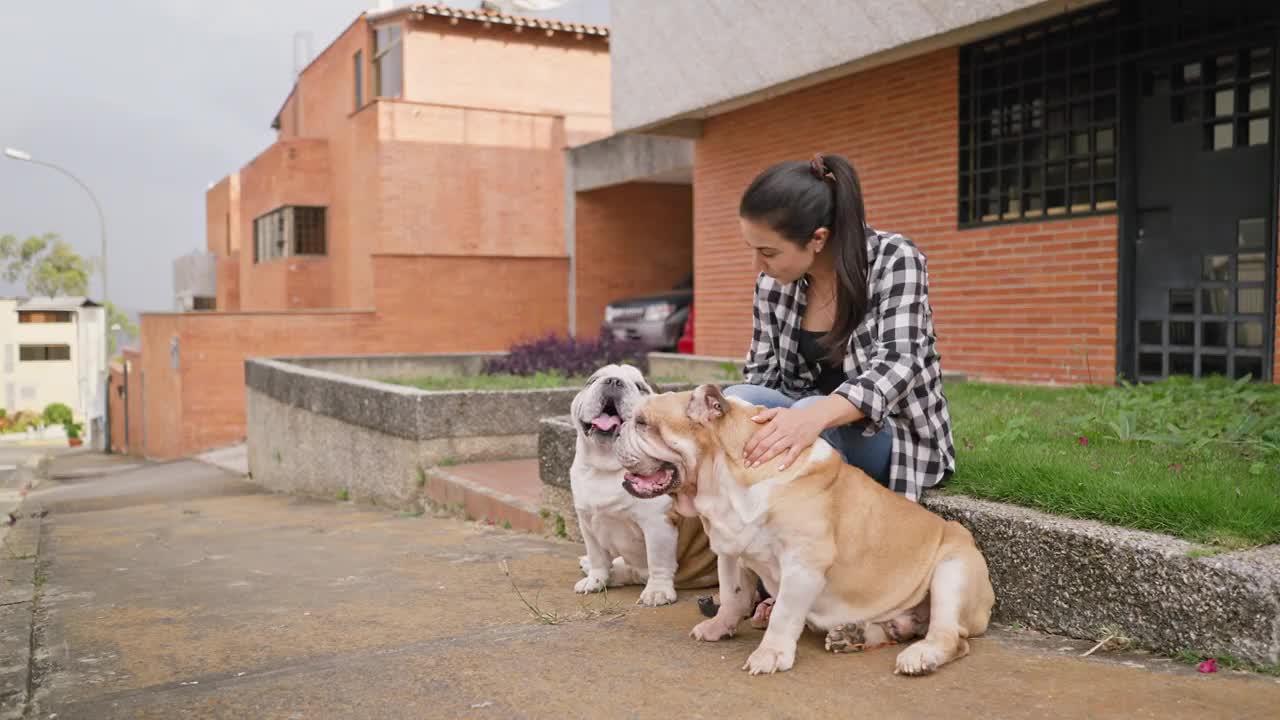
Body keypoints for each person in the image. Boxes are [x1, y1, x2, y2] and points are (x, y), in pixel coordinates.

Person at [698, 152, 956, 623]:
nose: (758, 263)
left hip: (890, 434)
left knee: (812, 409)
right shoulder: (773, 285)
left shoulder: (894, 260)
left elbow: (898, 366)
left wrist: (814, 415)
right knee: (741, 401)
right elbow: (761, 377)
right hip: (803, 429)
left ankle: (792, 575)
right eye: (753, 249)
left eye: (769, 251)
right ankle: (755, 573)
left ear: (818, 238)